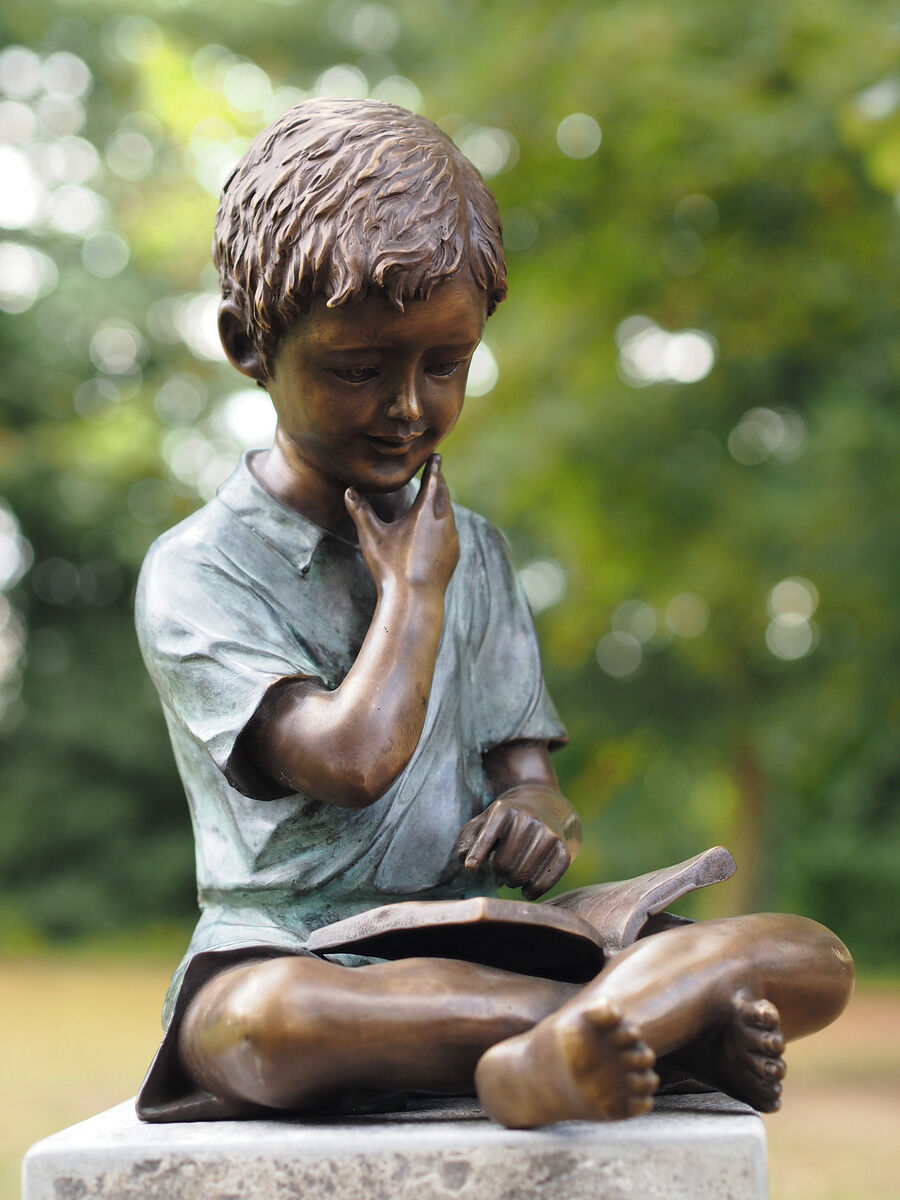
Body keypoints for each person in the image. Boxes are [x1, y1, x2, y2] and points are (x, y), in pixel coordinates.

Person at [135, 98, 853, 1128]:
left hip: (480, 946)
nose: (409, 407)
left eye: (446, 364)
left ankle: (567, 1039)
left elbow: (531, 780)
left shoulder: (482, 552)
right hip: (293, 951)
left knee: (805, 955)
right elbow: (352, 760)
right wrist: (417, 590)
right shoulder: (198, 570)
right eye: (358, 368)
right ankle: (643, 1030)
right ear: (250, 344)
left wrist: (534, 821)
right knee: (265, 1027)